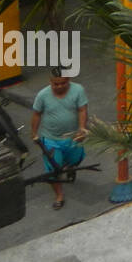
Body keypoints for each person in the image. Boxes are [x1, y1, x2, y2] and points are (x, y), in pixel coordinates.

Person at [30, 66, 88, 210]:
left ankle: (69, 167)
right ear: (50, 81)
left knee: (76, 159)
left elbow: (82, 109)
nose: (60, 86)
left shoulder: (78, 90)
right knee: (53, 170)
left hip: (72, 138)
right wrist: (34, 133)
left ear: (69, 80)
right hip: (50, 139)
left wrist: (82, 128)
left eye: (63, 83)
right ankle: (59, 195)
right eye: (56, 84)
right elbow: (37, 114)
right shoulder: (42, 95)